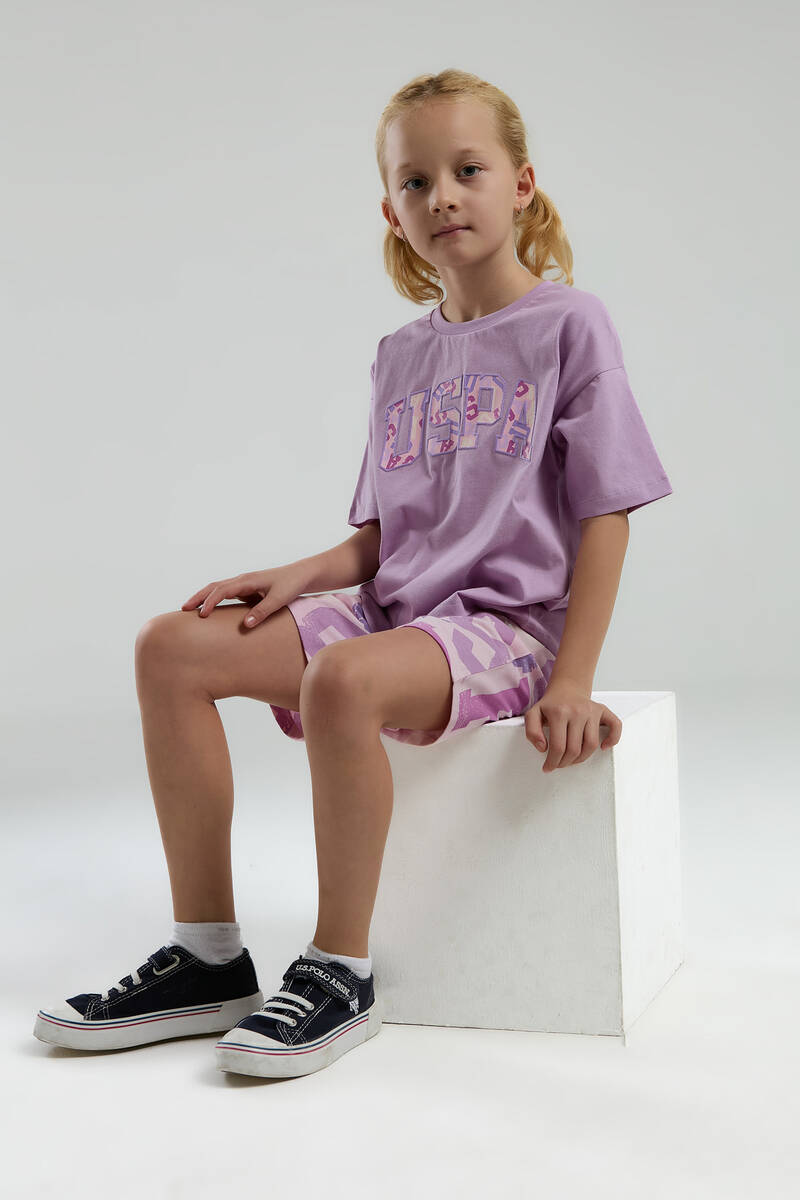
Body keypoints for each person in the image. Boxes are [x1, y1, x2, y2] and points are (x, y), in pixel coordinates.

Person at [33, 68, 673, 1079]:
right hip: (394, 610)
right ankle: (207, 958)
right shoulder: (400, 355)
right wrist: (302, 573)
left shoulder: (569, 326)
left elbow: (607, 513)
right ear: (391, 211)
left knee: (342, 678)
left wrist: (572, 679)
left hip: (506, 627)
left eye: (467, 170)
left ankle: (340, 971)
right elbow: (383, 536)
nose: (442, 196)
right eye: (415, 182)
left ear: (521, 185)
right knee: (168, 648)